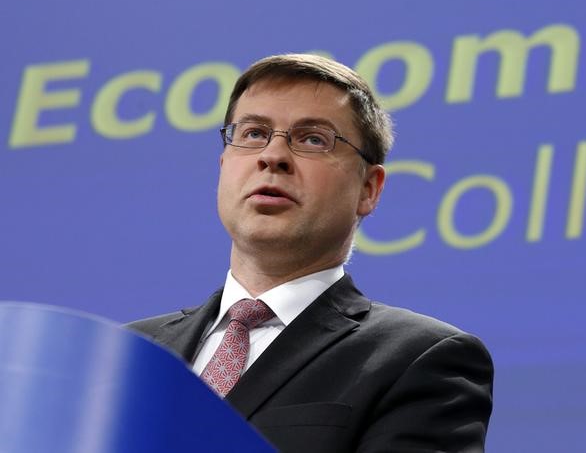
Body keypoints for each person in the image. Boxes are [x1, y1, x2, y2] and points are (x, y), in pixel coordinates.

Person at [129, 54, 493, 452]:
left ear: (369, 189)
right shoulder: (130, 352)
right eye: (253, 133)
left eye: (313, 139)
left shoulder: (420, 358)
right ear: (223, 164)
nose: (273, 157)